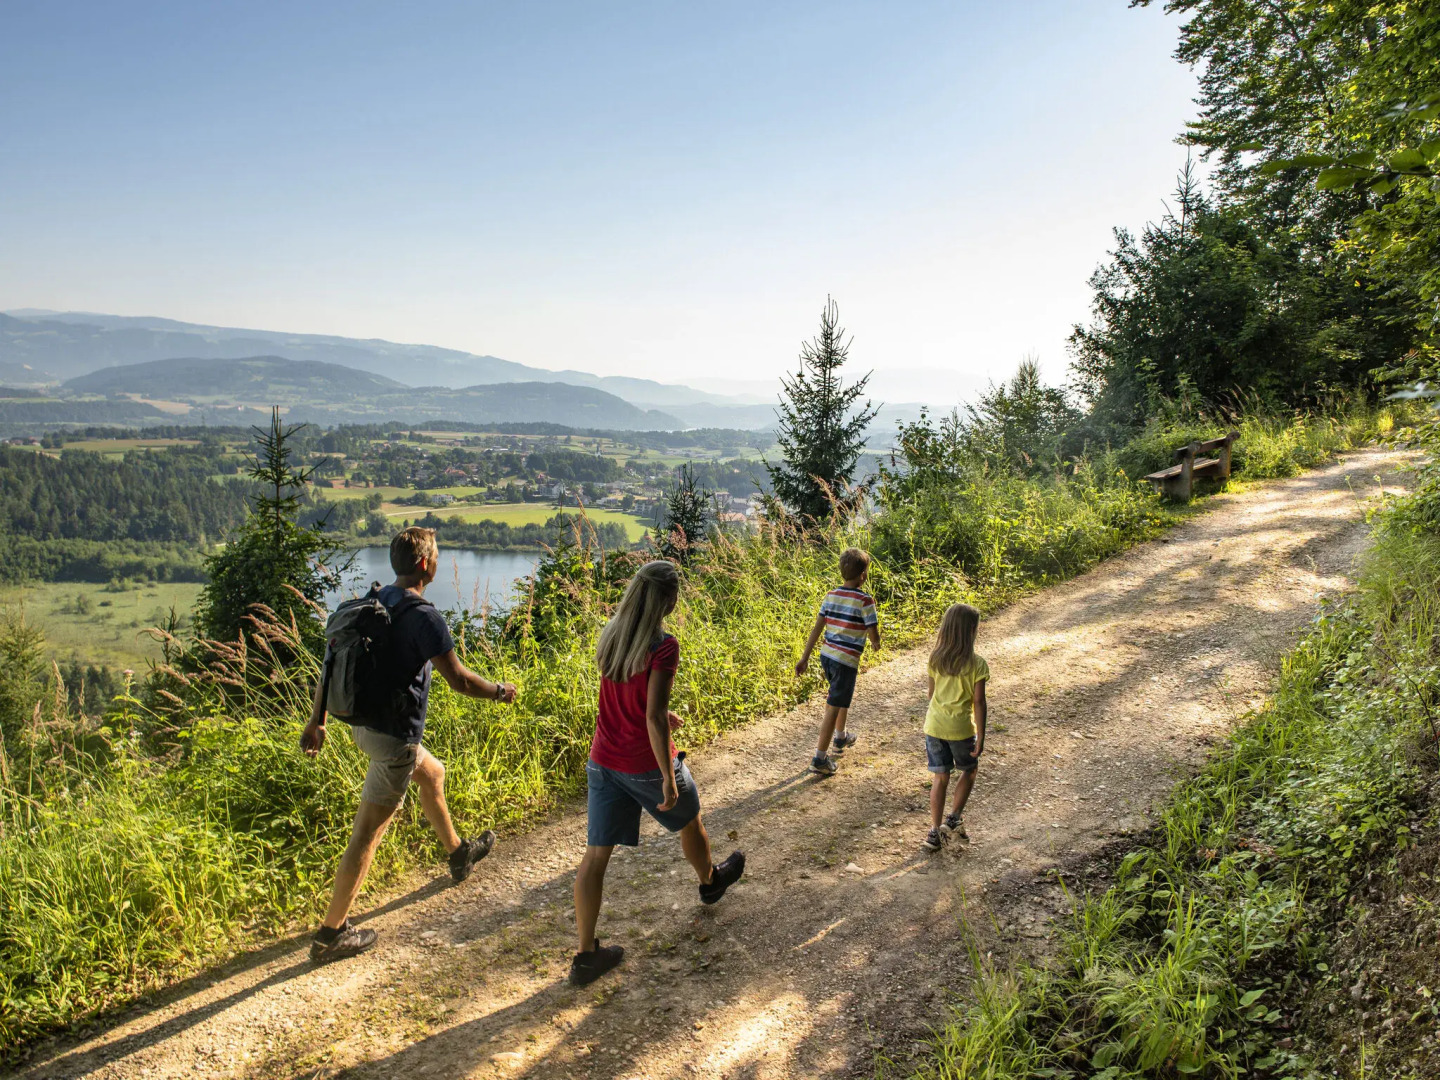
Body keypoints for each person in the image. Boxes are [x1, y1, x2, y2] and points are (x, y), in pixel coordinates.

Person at [301, 526, 518, 964]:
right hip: (393, 738)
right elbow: (459, 680)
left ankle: (458, 854)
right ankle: (331, 934)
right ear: (424, 564)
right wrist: (498, 690)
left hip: (360, 726)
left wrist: (317, 721)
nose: (437, 562)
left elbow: (331, 658)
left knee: (433, 773)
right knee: (367, 833)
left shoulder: (376, 599)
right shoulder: (425, 616)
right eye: (436, 556)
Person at [570, 559, 745, 986]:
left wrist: (666, 715)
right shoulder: (663, 646)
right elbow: (651, 717)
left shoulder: (613, 634)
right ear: (668, 599)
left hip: (603, 760)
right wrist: (667, 774)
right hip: (644, 763)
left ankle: (585, 955)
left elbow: (633, 700)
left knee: (595, 856)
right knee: (690, 817)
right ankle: (709, 882)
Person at [794, 547, 881, 775]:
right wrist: (876, 642)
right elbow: (872, 627)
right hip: (845, 661)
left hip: (827, 656)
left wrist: (804, 657)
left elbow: (817, 628)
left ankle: (841, 737)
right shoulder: (865, 599)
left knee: (839, 696)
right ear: (863, 575)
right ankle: (820, 758)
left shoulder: (831, 595)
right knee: (834, 704)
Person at [920, 603, 988, 852]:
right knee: (969, 770)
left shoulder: (935, 659)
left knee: (940, 777)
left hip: (934, 726)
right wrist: (980, 735)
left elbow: (931, 694)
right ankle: (954, 817)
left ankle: (934, 832)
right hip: (961, 729)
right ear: (971, 631)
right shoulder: (977, 664)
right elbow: (978, 702)